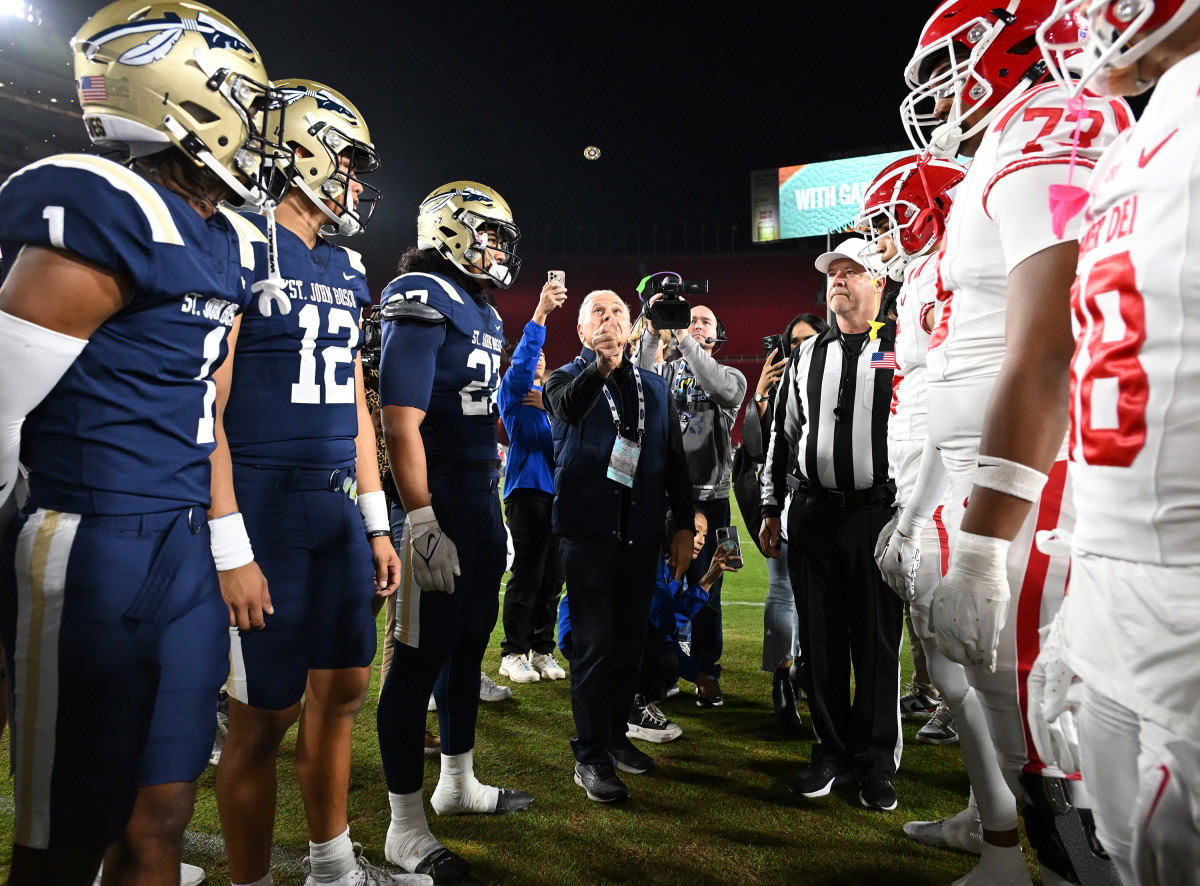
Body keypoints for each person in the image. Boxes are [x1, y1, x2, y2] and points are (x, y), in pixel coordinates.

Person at [0, 1, 289, 881]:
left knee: (160, 815)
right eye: (242, 99)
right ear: (182, 98)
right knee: (64, 843)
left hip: (182, 551)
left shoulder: (219, 237)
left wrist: (228, 543)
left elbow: (207, 409)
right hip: (88, 546)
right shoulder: (104, 209)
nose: (258, 125)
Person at [882, 2, 1131, 881]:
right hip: (991, 475)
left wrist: (985, 539)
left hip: (1037, 479)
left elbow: (1054, 336)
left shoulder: (1044, 118)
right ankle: (1013, 848)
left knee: (1042, 719)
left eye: (956, 56)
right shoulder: (1001, 142)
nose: (942, 83)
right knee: (1014, 701)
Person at [206, 79, 418, 886]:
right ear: (298, 149)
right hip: (263, 509)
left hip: (334, 515)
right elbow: (208, 408)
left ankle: (332, 866)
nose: (356, 182)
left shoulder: (346, 263)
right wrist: (231, 544)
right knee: (263, 721)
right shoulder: (234, 241)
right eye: (348, 161)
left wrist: (374, 522)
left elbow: (358, 410)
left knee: (342, 697)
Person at [1023, 4, 1200, 883]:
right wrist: (1082, 598)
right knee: (1134, 856)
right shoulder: (1138, 138)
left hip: (1186, 590)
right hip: (1114, 580)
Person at [375, 181, 533, 883]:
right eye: (490, 236)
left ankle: (458, 781)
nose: (498, 251)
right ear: (453, 231)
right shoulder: (421, 291)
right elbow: (399, 418)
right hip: (435, 496)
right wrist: (421, 518)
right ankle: (404, 827)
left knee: (469, 643)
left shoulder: (485, 311)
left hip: (479, 494)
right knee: (417, 658)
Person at [759, 238, 903, 813]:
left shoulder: (904, 348)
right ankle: (830, 752)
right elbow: (782, 437)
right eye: (833, 273)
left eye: (852, 272)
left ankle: (874, 762)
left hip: (876, 512)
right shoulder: (806, 354)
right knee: (819, 640)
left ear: (880, 284)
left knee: (874, 641)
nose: (838, 280)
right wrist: (771, 508)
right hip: (815, 511)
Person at [543, 289, 695, 804]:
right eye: (598, 314)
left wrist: (680, 523)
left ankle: (613, 738)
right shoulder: (564, 378)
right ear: (583, 331)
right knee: (593, 646)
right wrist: (601, 369)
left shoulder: (655, 386)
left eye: (619, 313)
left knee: (629, 644)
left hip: (643, 534)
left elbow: (674, 460)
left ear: (633, 329)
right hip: (588, 533)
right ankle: (589, 754)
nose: (610, 319)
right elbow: (566, 410)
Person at [634, 297, 746, 706]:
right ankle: (660, 663)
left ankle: (705, 671)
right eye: (689, 318)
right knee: (655, 589)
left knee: (709, 591)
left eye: (705, 321)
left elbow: (718, 388)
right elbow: (640, 378)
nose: (696, 324)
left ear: (717, 335)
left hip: (712, 501)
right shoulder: (663, 371)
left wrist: (682, 336)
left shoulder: (731, 376)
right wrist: (651, 330)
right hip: (664, 499)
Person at [740, 313, 826, 732]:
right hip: (784, 501)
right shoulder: (777, 388)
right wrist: (759, 396)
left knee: (819, 596)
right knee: (782, 590)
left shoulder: (832, 377)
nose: (799, 349)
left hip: (824, 505)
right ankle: (782, 678)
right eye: (794, 342)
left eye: (809, 340)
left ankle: (806, 672)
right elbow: (755, 449)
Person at [497, 277, 569, 684]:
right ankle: (513, 652)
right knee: (527, 575)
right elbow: (523, 361)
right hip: (527, 494)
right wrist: (540, 314)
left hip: (557, 499)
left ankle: (542, 649)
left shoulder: (551, 406)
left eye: (544, 354)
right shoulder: (513, 394)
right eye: (533, 354)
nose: (539, 358)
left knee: (553, 577)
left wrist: (553, 406)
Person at [628, 511, 729, 742]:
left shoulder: (670, 567)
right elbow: (662, 621)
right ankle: (631, 710)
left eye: (704, 534)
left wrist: (698, 676)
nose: (702, 540)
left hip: (611, 637)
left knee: (667, 661)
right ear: (676, 532)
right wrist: (707, 581)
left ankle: (623, 698)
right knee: (658, 651)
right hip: (588, 638)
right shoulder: (650, 559)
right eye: (695, 532)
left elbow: (663, 636)